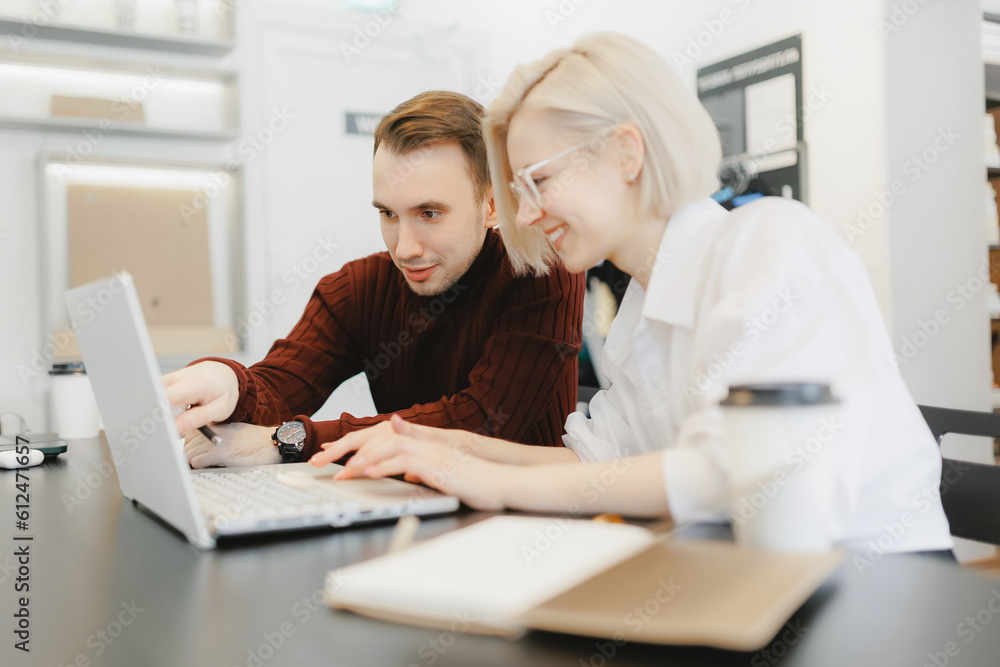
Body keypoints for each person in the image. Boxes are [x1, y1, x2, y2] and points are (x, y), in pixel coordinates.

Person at [309, 32, 954, 555]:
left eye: (537, 181)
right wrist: (446, 446)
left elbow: (735, 470)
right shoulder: (642, 306)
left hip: (873, 585)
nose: (526, 215)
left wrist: (482, 476)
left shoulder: (769, 243)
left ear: (625, 152)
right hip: (758, 579)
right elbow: (599, 464)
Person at [166, 91, 584, 468]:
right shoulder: (356, 289)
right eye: (388, 213)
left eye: (429, 214)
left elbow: (483, 422)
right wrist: (229, 383)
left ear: (492, 206)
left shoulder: (542, 269)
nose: (404, 248)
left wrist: (288, 441)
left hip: (532, 526)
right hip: (408, 514)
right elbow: (279, 389)